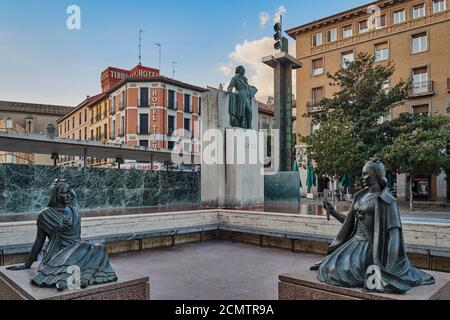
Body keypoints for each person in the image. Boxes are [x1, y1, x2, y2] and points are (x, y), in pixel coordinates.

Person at [312, 158, 435, 293]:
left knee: (345, 272)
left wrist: (390, 266)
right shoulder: (360, 196)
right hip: (353, 244)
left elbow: (394, 234)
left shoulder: (387, 200)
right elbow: (349, 223)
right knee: (330, 268)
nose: (362, 177)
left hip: (370, 248)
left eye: (365, 174)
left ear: (375, 176)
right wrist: (333, 212)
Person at [7, 179, 117, 291]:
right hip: (59, 254)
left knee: (101, 248)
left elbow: (77, 238)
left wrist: (86, 251)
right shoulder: (45, 215)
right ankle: (68, 278)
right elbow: (39, 241)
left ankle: (84, 278)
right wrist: (27, 264)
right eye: (63, 193)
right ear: (55, 195)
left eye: (68, 192)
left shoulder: (75, 212)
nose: (67, 195)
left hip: (77, 249)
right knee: (84, 246)